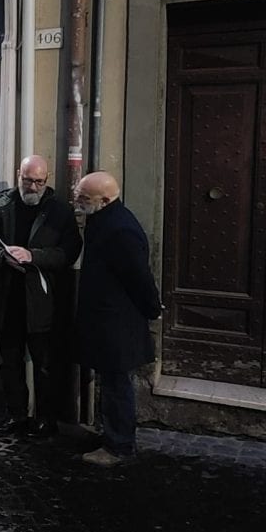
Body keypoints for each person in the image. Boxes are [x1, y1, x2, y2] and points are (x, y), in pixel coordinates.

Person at [0, 155, 82, 438]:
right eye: (27, 181)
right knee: (9, 362)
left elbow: (69, 251)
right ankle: (16, 415)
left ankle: (46, 419)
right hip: (8, 297)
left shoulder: (59, 210)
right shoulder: (2, 204)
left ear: (47, 180)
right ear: (18, 175)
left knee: (45, 364)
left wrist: (33, 256)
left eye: (38, 182)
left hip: (42, 301)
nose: (33, 187)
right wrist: (3, 256)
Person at [75, 171, 162, 467]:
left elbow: (139, 277)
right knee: (112, 381)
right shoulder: (103, 219)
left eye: (84, 197)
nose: (77, 201)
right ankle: (113, 437)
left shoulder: (120, 229)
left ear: (104, 200)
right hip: (108, 321)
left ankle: (119, 445)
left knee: (117, 384)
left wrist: (153, 308)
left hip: (118, 324)